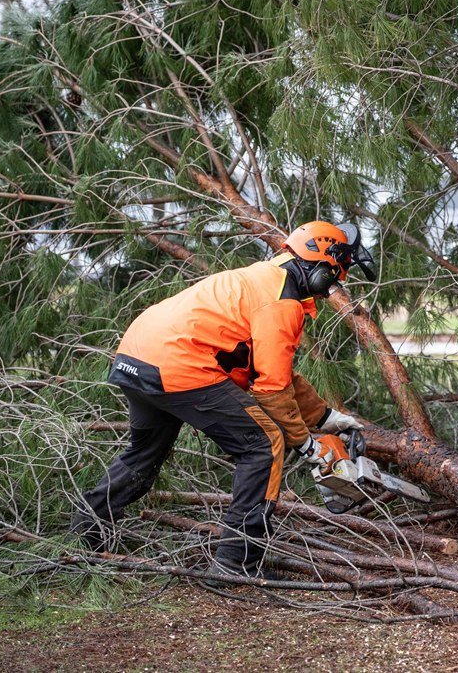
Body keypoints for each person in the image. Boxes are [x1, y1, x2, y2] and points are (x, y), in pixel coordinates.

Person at [70, 221, 376, 576]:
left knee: (144, 454)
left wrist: (324, 417)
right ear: (323, 265)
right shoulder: (282, 302)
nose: (335, 285)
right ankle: (237, 561)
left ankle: (84, 536)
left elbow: (275, 371)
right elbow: (271, 391)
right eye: (337, 274)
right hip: (180, 364)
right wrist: (308, 447)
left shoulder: (264, 277)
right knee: (264, 444)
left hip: (137, 357)